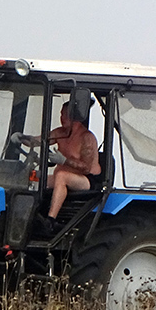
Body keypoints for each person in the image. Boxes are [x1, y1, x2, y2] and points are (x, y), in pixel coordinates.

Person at [37, 101, 100, 235]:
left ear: (74, 116)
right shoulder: (60, 133)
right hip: (65, 177)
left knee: (61, 176)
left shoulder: (86, 138)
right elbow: (39, 140)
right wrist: (22, 138)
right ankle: (35, 216)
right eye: (61, 114)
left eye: (64, 115)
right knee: (37, 178)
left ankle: (50, 220)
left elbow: (86, 168)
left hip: (87, 180)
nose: (61, 118)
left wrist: (64, 160)